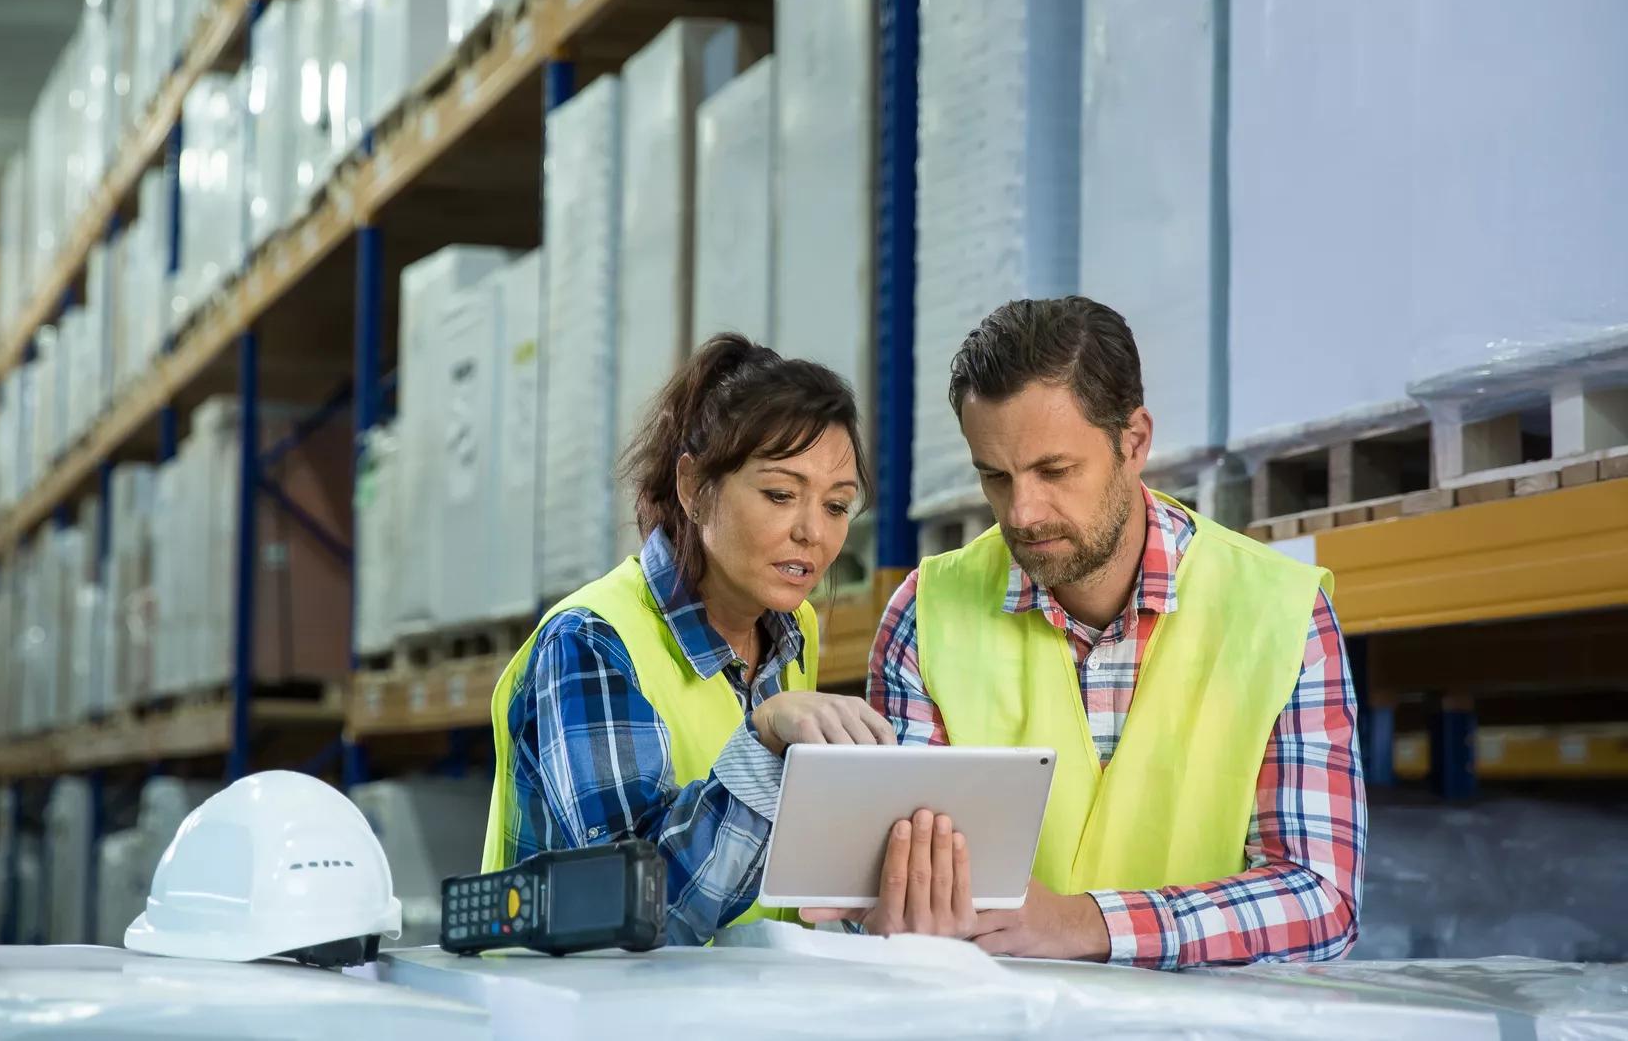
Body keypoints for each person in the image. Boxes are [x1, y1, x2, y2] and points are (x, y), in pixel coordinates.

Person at [862, 298, 1366, 968]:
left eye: (1054, 470)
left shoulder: (1283, 614)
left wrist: (1085, 923)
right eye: (995, 476)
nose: (1024, 511)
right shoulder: (925, 614)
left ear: (1134, 441)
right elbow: (889, 889)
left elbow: (1321, 900)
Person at [481, 334, 904, 945]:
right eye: (781, 495)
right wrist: (764, 737)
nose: (813, 532)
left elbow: (775, 875)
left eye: (837, 506)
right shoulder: (592, 642)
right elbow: (640, 911)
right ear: (693, 486)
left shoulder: (792, 631)